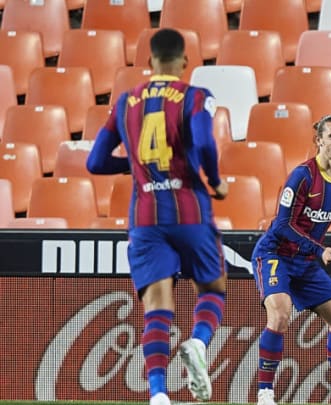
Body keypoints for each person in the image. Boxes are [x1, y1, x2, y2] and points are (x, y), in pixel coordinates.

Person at [86, 28, 229, 405]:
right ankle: (198, 343)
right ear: (185, 62)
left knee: (157, 307)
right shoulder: (195, 96)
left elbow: (95, 161)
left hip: (145, 216)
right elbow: (202, 143)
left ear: (149, 63)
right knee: (212, 288)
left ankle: (158, 394)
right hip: (190, 210)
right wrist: (214, 180)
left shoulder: (124, 102)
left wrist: (134, 167)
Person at [251, 115, 331, 405]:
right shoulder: (303, 176)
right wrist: (320, 250)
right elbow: (282, 224)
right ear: (319, 140)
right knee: (280, 314)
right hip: (275, 254)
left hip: (306, 261)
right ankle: (265, 394)